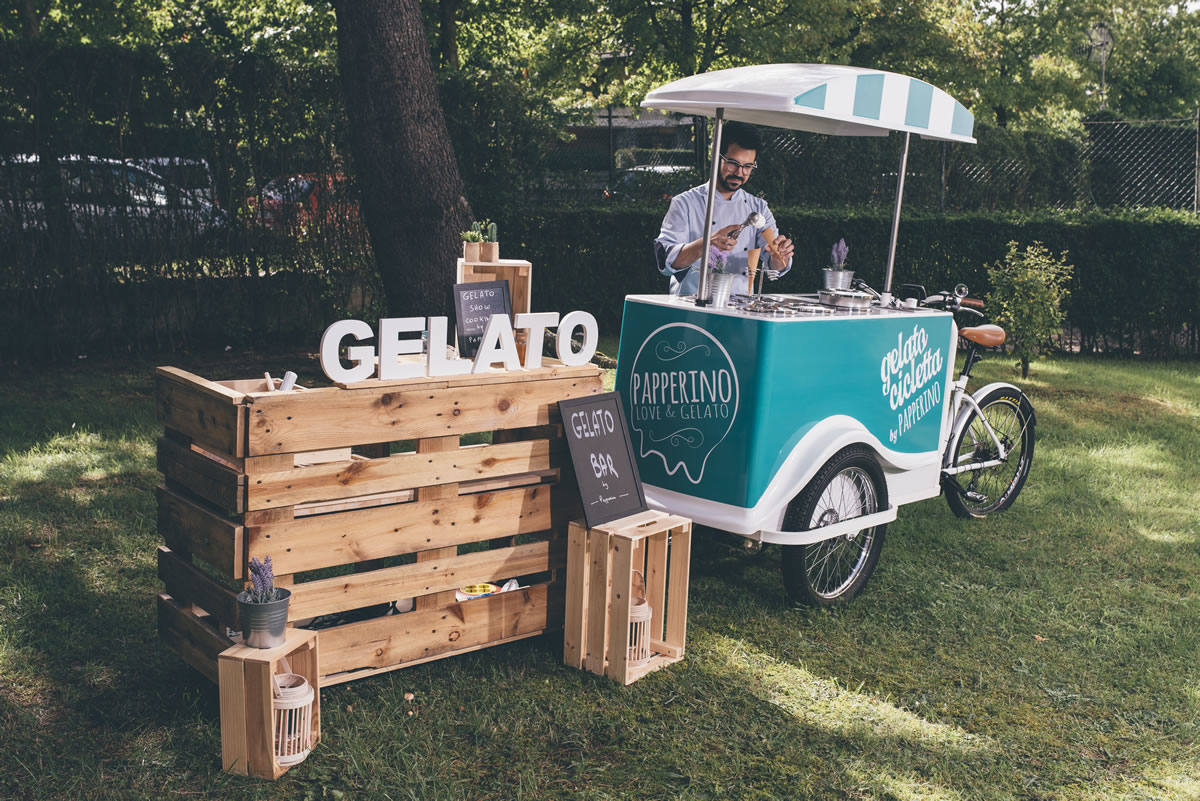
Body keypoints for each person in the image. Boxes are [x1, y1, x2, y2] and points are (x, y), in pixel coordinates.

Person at [654, 121, 794, 296]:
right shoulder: (685, 203)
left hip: (741, 309)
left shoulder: (758, 208)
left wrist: (779, 256)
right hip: (692, 310)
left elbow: (775, 267)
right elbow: (667, 261)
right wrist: (707, 243)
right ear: (716, 156)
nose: (739, 172)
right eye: (732, 163)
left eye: (747, 166)